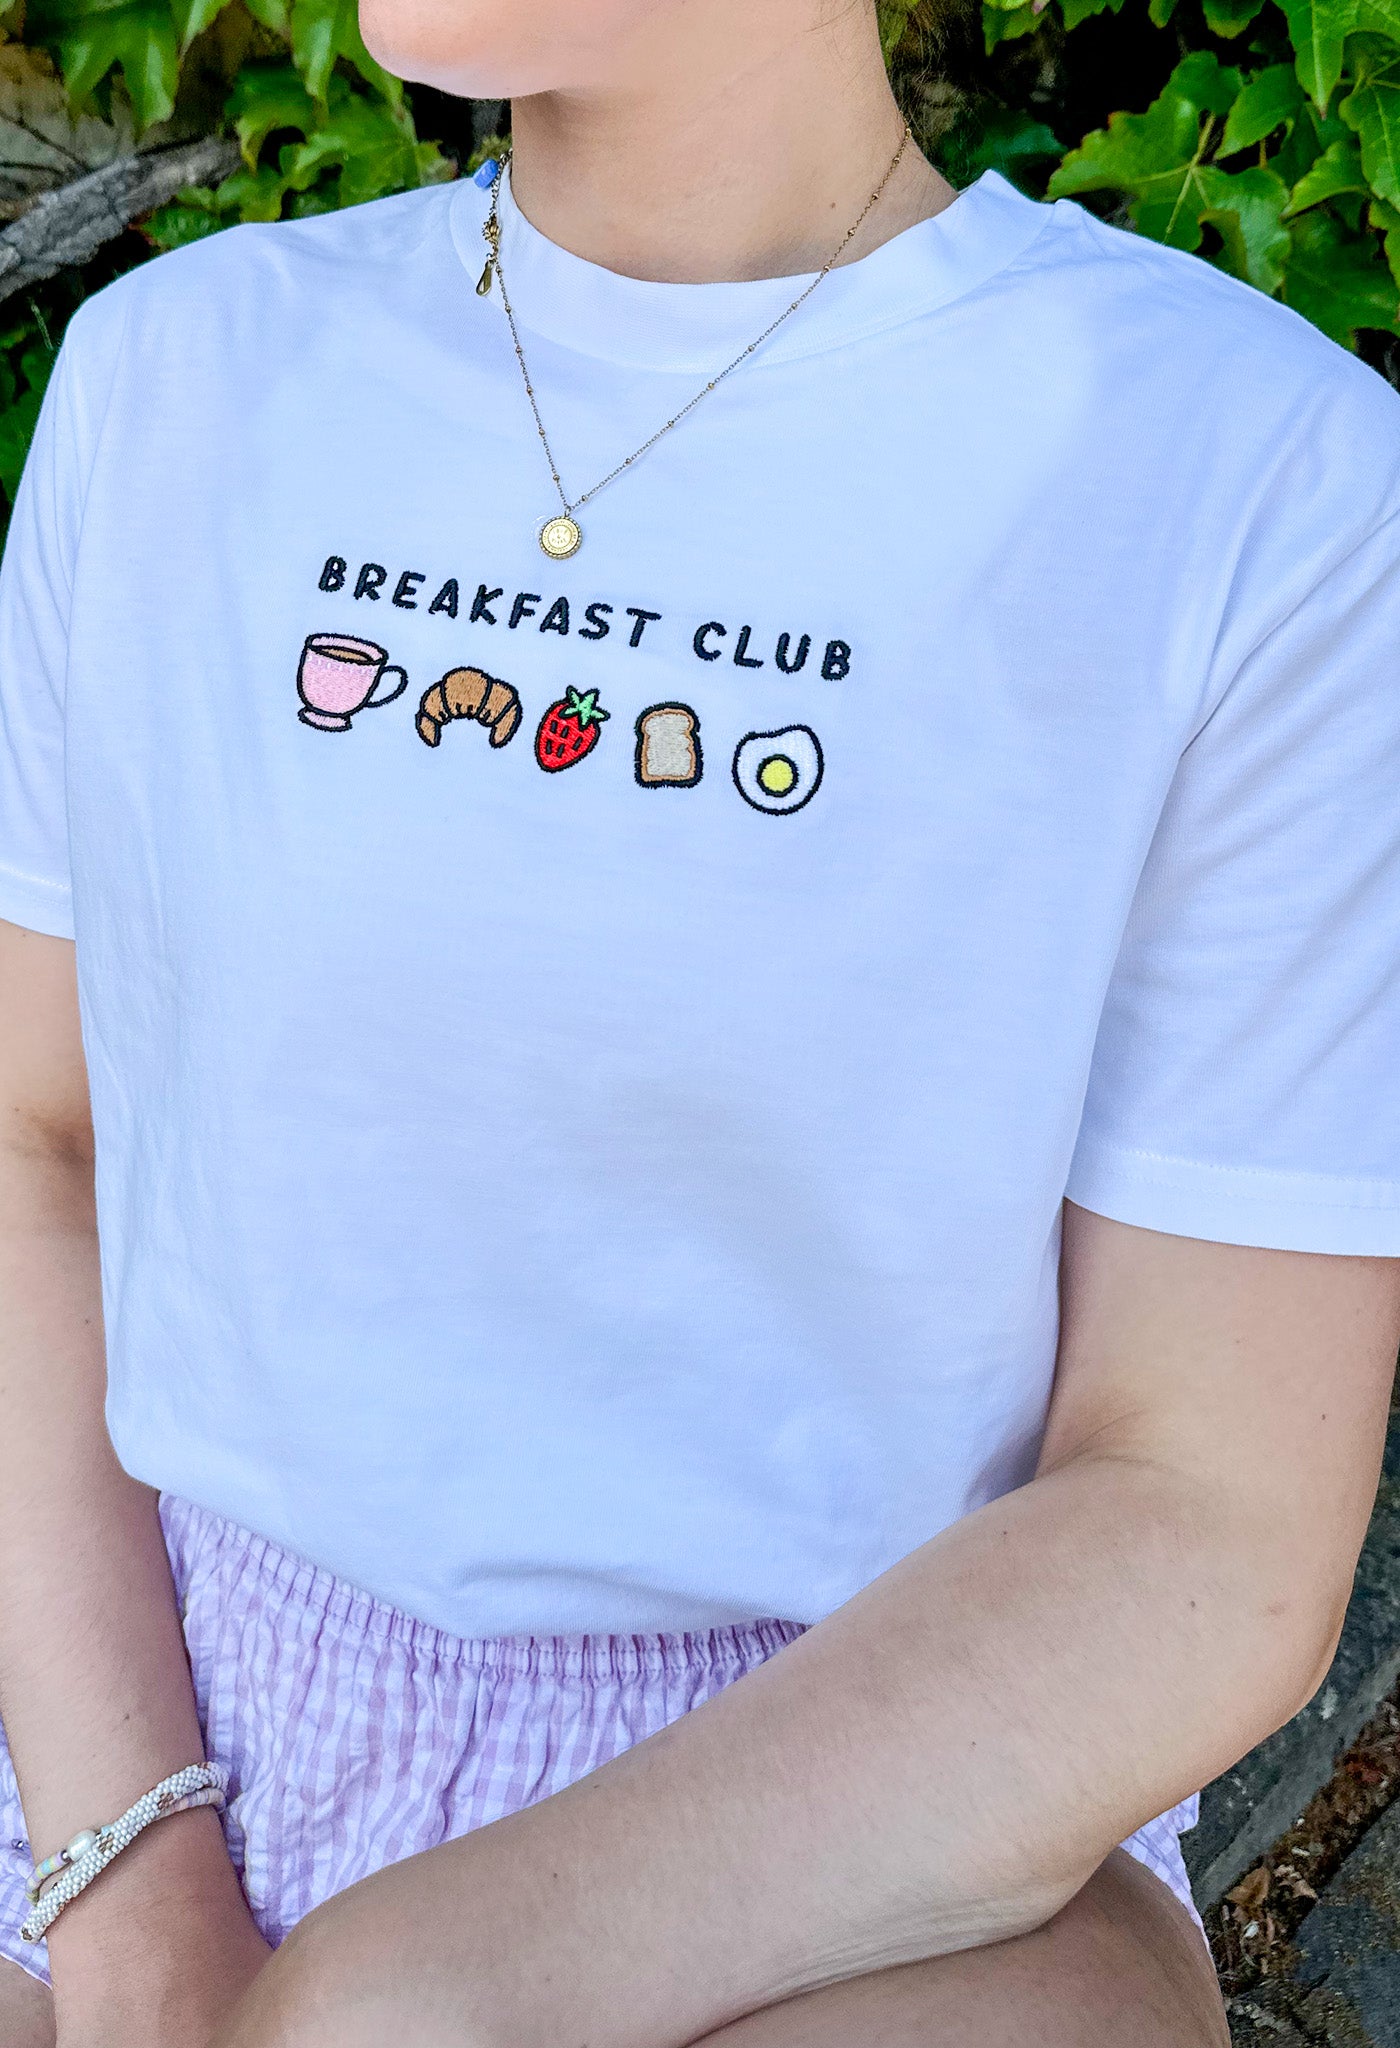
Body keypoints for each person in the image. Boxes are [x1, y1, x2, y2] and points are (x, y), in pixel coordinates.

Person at [1, 0, 1398, 2042]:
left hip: (863, 1831)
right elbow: (37, 1143)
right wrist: (133, 1904)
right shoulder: (171, 379)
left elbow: (1210, 1503)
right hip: (137, 1725)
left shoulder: (1248, 478)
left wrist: (415, 1994)